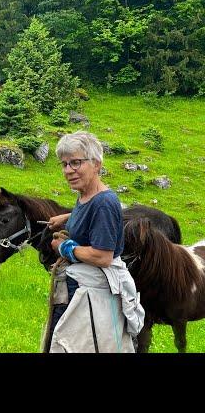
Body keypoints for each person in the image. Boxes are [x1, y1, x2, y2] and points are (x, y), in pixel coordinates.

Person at [43, 130, 145, 353]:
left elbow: (103, 256)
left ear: (97, 164)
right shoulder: (85, 194)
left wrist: (64, 247)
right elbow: (90, 213)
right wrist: (67, 217)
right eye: (65, 164)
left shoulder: (105, 202)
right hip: (79, 287)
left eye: (76, 163)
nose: (68, 170)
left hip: (93, 294)